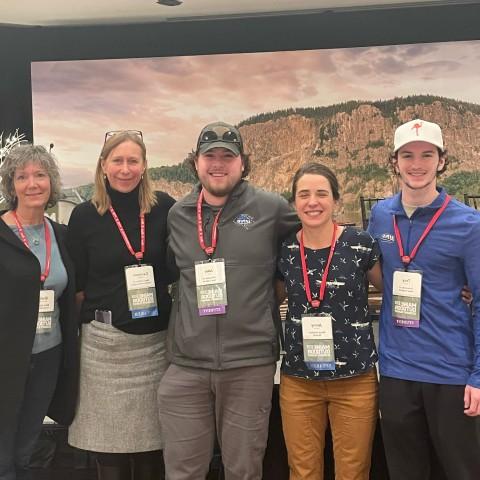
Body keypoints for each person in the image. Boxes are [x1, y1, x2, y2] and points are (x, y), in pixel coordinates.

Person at [158, 121, 298, 480]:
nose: (218, 164)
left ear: (242, 163)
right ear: (196, 163)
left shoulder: (272, 208)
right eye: (210, 156)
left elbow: (315, 239)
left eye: (227, 156)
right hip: (187, 365)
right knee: (183, 472)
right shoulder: (178, 215)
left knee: (243, 470)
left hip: (249, 364)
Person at [367, 118, 480, 480]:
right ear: (394, 162)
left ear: (441, 160)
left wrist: (478, 375)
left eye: (426, 155)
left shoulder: (469, 224)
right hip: (397, 369)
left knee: (461, 470)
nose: (417, 164)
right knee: (405, 472)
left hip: (451, 371)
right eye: (408, 155)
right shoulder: (381, 215)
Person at [67, 131, 175, 480]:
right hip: (104, 348)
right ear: (103, 165)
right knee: (108, 455)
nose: (125, 169)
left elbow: (176, 267)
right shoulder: (84, 216)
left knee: (151, 454)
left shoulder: (164, 209)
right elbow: (78, 284)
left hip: (155, 347)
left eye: (133, 161)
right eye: (117, 160)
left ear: (144, 167)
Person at [276, 163, 382, 480]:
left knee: (353, 472)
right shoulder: (285, 250)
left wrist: (459, 292)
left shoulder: (360, 244)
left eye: (321, 193)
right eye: (304, 194)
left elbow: (392, 292)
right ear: (294, 202)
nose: (313, 202)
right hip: (299, 381)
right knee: (303, 471)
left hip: (355, 379)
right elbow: (268, 299)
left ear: (335, 199)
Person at [0, 144, 78, 480]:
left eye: (40, 175)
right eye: (22, 176)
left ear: (51, 182)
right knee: (2, 452)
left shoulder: (60, 234)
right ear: (11, 185)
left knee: (28, 448)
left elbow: (70, 294)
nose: (32, 183)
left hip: (48, 355)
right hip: (6, 360)